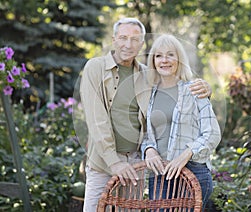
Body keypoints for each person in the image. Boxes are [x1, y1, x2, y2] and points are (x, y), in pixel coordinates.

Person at [80, 18, 212, 211]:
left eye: (135, 39)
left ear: (142, 44)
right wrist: (115, 163)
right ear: (114, 39)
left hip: (135, 162)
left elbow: (175, 88)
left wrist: (206, 89)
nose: (128, 44)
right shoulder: (95, 68)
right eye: (123, 38)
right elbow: (96, 120)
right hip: (103, 161)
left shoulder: (147, 75)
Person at [141, 34, 221, 210]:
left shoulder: (194, 90)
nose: (165, 60)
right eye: (159, 55)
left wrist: (185, 155)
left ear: (179, 59)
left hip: (192, 172)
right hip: (160, 174)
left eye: (171, 54)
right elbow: (146, 132)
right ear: (153, 60)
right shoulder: (149, 94)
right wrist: (149, 149)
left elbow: (212, 134)